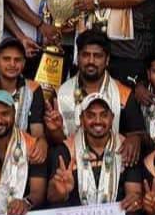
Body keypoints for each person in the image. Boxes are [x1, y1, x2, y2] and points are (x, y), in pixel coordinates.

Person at [46, 30, 144, 168]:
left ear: (107, 60)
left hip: (113, 167)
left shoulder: (123, 94)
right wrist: (55, 132)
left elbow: (138, 133)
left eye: (97, 56)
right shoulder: (60, 94)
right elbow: (58, 145)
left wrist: (135, 138)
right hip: (72, 167)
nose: (91, 61)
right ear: (78, 57)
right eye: (85, 55)